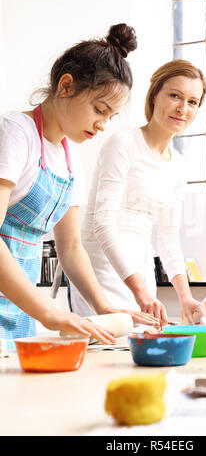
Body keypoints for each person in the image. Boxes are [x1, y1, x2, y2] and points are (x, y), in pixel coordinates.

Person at [0, 23, 159, 351]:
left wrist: (102, 308)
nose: (103, 124)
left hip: (19, 309)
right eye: (100, 109)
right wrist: (48, 313)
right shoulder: (17, 133)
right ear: (67, 86)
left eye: (111, 116)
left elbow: (70, 248)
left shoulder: (71, 160)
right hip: (28, 305)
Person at [69, 59, 206, 324]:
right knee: (107, 348)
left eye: (193, 102)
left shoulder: (179, 166)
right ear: (155, 94)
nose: (182, 108)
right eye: (175, 95)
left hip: (140, 268)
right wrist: (139, 292)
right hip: (100, 267)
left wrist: (185, 297)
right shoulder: (124, 143)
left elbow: (168, 238)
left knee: (140, 349)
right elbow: (103, 224)